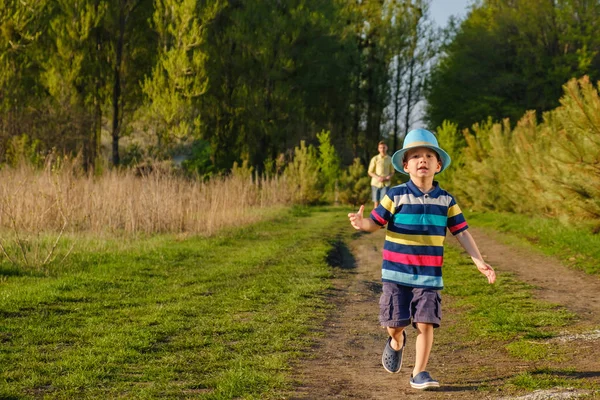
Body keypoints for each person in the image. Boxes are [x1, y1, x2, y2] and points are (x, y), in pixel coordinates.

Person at [348, 128, 496, 390]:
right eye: (415, 156)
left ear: (438, 165)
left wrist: (479, 261)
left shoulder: (446, 200)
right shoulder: (395, 195)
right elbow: (376, 222)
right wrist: (363, 224)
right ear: (406, 165)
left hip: (429, 276)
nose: (423, 160)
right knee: (395, 324)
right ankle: (396, 341)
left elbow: (462, 232)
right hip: (396, 274)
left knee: (426, 322)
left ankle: (420, 372)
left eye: (429, 155)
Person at [368, 141, 395, 208]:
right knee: (376, 203)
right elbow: (370, 172)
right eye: (381, 148)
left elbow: (392, 171)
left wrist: (389, 176)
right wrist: (377, 177)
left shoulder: (390, 159)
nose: (382, 149)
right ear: (378, 149)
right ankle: (375, 218)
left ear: (386, 148)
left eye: (384, 147)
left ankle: (382, 218)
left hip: (386, 184)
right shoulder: (375, 159)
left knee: (383, 203)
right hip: (376, 183)